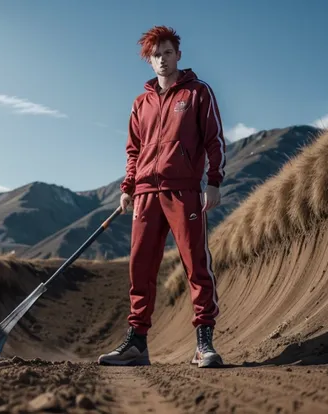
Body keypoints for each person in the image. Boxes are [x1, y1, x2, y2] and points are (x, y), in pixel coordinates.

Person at [97, 25, 227, 368]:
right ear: (149, 61)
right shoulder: (140, 103)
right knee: (140, 269)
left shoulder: (198, 93)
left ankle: (204, 343)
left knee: (196, 264)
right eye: (156, 55)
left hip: (184, 191)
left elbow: (214, 139)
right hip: (144, 195)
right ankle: (137, 344)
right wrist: (128, 188)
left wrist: (213, 180)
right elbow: (133, 150)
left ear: (178, 55)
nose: (162, 60)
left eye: (168, 53)